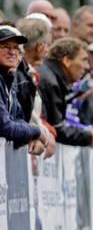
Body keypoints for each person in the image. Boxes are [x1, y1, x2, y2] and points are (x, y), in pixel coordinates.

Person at [37, 37, 93, 149]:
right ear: (67, 61)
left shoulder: (53, 77)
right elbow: (57, 128)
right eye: (84, 60)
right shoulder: (50, 81)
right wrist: (90, 137)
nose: (87, 67)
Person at [0, 25, 50, 151]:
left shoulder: (9, 81)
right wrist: (37, 131)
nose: (12, 52)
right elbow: (6, 127)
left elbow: (19, 119)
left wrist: (31, 136)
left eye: (16, 48)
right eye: (6, 47)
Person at [14, 17, 56, 157]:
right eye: (47, 45)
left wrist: (43, 135)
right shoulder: (18, 75)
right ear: (40, 46)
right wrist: (42, 135)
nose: (47, 51)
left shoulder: (27, 73)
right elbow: (20, 118)